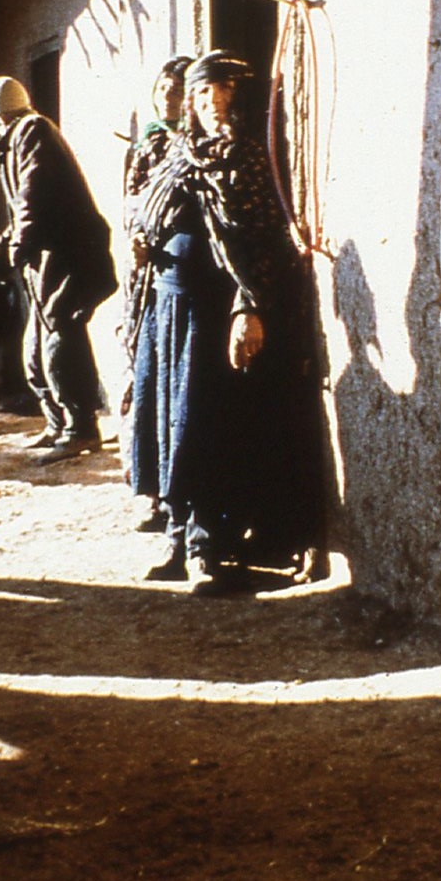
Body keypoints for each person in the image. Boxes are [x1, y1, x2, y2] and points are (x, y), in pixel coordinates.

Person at [128, 49, 330, 593]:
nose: (212, 102)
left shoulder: (250, 160)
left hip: (215, 315)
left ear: (242, 98)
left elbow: (260, 244)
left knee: (206, 426)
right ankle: (178, 538)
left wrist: (248, 307)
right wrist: (142, 239)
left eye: (224, 90)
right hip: (169, 311)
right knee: (170, 424)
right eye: (202, 92)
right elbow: (144, 210)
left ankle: (209, 549)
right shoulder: (178, 154)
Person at [0, 76, 117, 459]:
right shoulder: (24, 135)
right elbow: (24, 211)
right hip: (53, 260)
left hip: (68, 259)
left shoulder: (31, 133)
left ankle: (81, 429)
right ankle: (59, 423)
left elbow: (31, 204)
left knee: (60, 341)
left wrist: (9, 256)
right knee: (37, 346)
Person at [121, 56, 191, 529]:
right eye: (163, 88)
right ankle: (151, 493)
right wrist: (135, 240)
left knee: (176, 389)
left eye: (178, 89)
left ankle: (176, 497)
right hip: (147, 279)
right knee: (146, 383)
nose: (169, 96)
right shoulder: (147, 143)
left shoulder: (195, 147)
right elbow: (131, 203)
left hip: (179, 278)